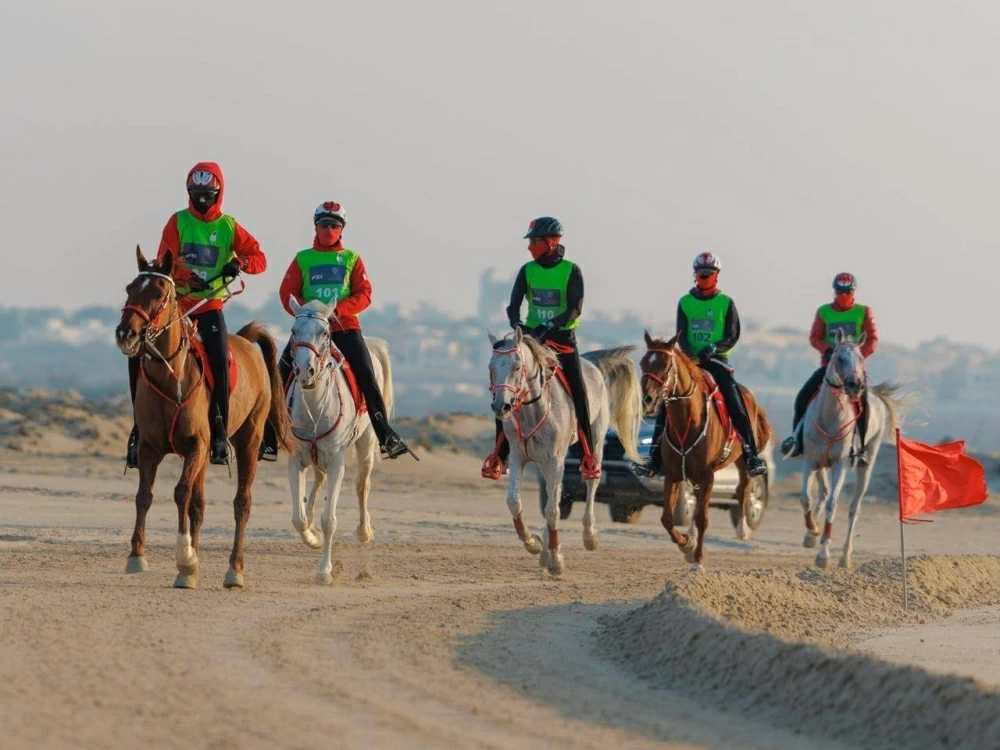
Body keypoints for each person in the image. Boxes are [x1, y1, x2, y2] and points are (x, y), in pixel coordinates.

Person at [125, 162, 266, 468]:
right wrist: (187, 276)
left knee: (219, 360)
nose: (202, 200)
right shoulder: (177, 222)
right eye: (197, 194)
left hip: (210, 308)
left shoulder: (229, 226)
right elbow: (165, 261)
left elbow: (260, 259)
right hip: (176, 307)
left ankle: (217, 434)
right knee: (136, 352)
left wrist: (239, 262)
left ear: (219, 193)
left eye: (208, 194)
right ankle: (138, 432)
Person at [260, 201, 412, 460]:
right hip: (309, 330)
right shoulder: (303, 258)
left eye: (334, 225)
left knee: (366, 375)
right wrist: (305, 314)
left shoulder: (352, 258)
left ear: (342, 229)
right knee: (279, 374)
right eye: (323, 224)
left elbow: (364, 294)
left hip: (345, 327)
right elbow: (288, 292)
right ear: (315, 226)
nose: (328, 229)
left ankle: (386, 435)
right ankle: (269, 438)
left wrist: (338, 311)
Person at [481, 216, 601, 481]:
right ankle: (498, 457)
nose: (529, 247)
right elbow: (513, 304)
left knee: (579, 391)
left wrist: (552, 324)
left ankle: (588, 455)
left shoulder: (572, 270)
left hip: (562, 340)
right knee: (504, 387)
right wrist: (516, 323)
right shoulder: (527, 270)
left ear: (551, 242)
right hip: (532, 339)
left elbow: (574, 308)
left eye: (534, 242)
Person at [636, 252, 767, 478]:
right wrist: (689, 353)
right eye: (700, 274)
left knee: (735, 399)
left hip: (716, 361)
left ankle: (751, 455)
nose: (704, 277)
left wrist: (714, 348)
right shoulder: (685, 302)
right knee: (667, 404)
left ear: (716, 276)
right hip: (691, 363)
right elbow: (681, 334)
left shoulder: (726, 303)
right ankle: (653, 459)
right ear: (694, 275)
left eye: (709, 274)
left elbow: (732, 334)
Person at [780, 272, 879, 465]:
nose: (843, 296)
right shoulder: (823, 311)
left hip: (853, 372)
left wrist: (857, 355)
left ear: (853, 292)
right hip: (830, 369)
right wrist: (827, 350)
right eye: (840, 292)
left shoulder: (864, 311)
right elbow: (814, 337)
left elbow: (873, 338)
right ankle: (796, 441)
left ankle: (860, 449)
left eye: (847, 292)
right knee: (803, 397)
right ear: (834, 292)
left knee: (864, 403)